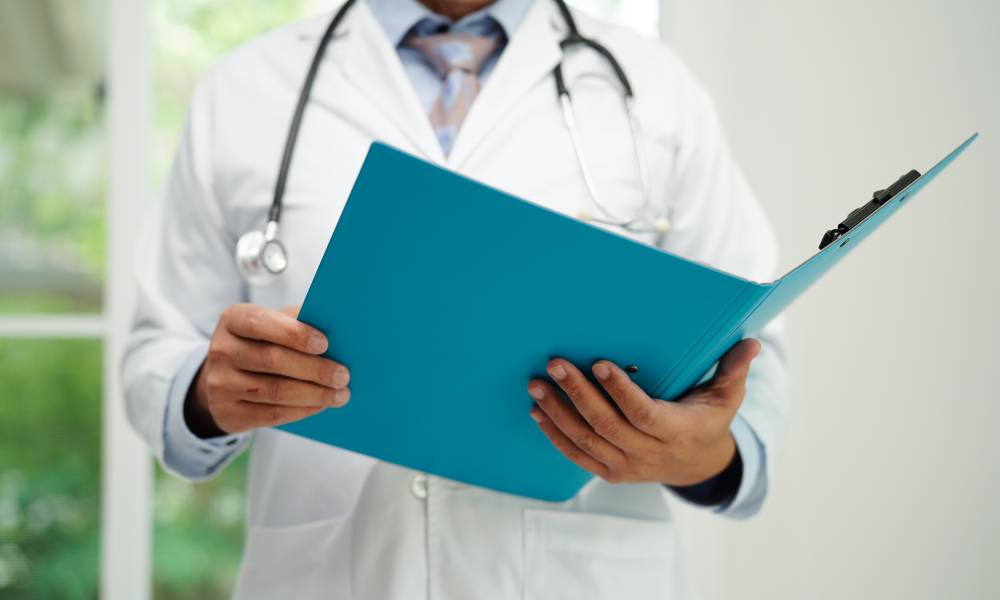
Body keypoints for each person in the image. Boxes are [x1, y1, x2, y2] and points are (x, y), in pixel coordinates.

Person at [123, 0, 789, 597]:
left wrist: (706, 454)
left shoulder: (657, 88)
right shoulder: (247, 88)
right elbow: (159, 347)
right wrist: (208, 391)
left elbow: (749, 346)